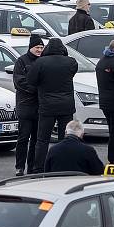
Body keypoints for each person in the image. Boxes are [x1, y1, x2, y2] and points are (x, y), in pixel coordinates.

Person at [28, 38, 78, 173]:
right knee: (66, 138)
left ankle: (38, 168)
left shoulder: (40, 62)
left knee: (42, 139)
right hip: (66, 106)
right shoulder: (71, 62)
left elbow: (31, 81)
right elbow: (72, 73)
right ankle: (63, 167)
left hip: (47, 106)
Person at [12, 33, 44, 176]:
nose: (39, 50)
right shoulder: (21, 61)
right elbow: (19, 81)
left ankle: (32, 167)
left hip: (40, 107)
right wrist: (36, 89)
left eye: (41, 47)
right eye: (37, 47)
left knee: (36, 140)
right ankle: (19, 167)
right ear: (31, 47)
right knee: (23, 138)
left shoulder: (44, 61)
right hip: (25, 106)